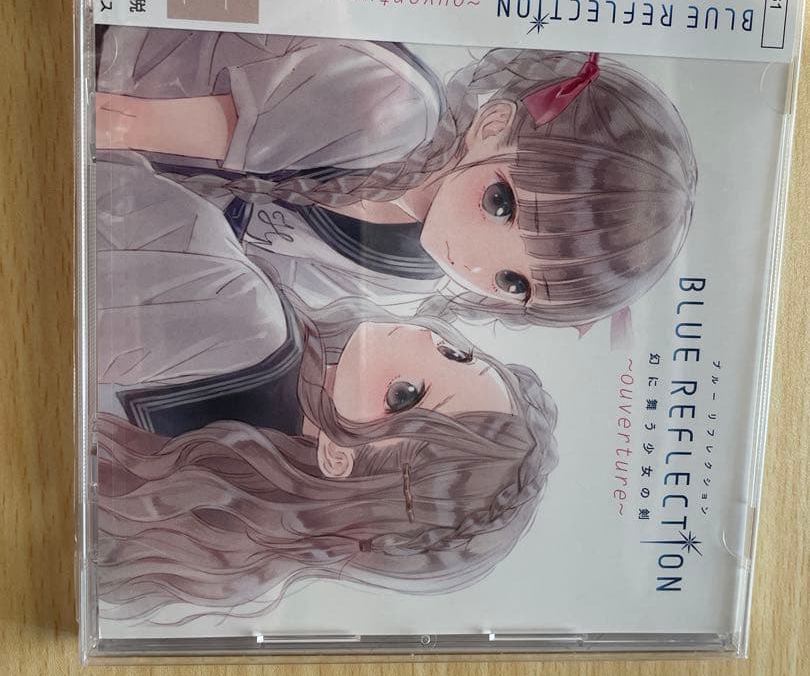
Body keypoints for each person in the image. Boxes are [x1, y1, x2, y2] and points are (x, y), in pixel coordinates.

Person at [94, 151, 559, 623]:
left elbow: (94, 190)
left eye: (404, 396)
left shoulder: (248, 317)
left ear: (339, 458)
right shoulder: (212, 543)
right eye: (456, 355)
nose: (426, 340)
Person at [96, 29, 698, 332]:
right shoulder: (399, 110)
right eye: (501, 204)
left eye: (513, 282)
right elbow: (128, 122)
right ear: (494, 124)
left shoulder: (405, 276)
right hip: (120, 73)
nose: (474, 262)